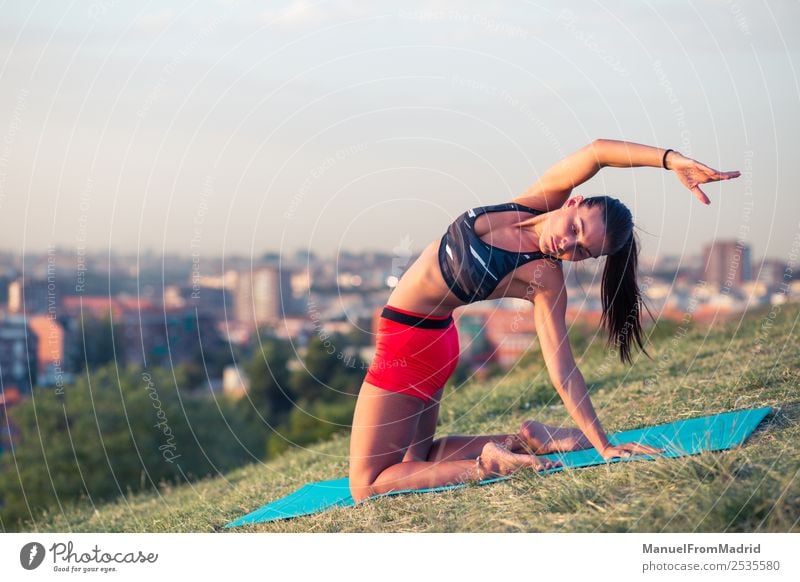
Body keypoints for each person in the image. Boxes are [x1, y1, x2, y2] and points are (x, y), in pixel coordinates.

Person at [348, 139, 741, 503]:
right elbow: (598, 152)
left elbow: (563, 368)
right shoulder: (533, 203)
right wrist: (671, 160)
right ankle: (529, 439)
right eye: (575, 229)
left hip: (407, 344)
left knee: (366, 484)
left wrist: (602, 443)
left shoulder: (545, 280)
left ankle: (488, 464)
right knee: (421, 457)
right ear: (574, 202)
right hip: (435, 339)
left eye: (581, 251)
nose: (567, 245)